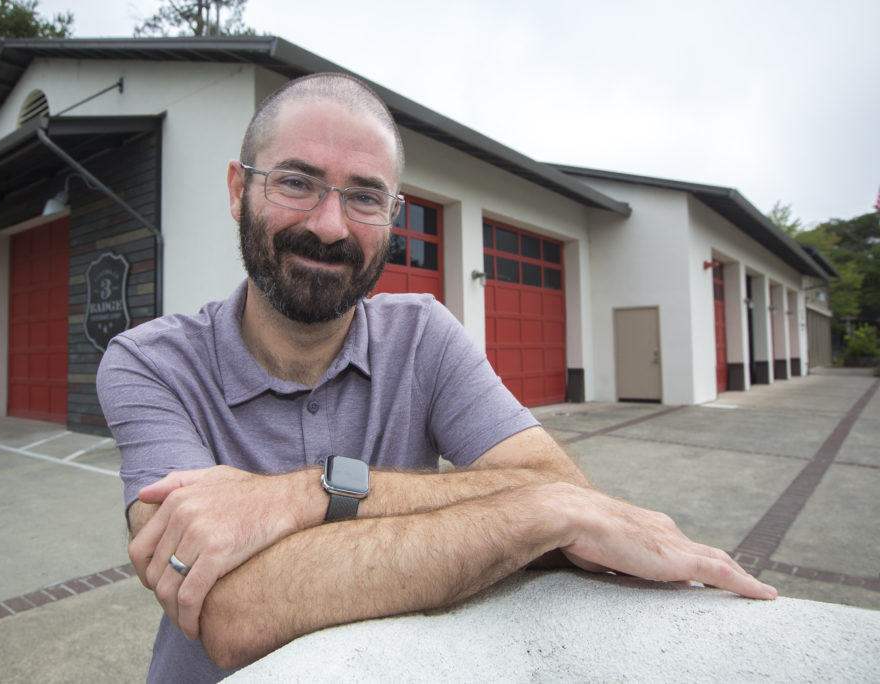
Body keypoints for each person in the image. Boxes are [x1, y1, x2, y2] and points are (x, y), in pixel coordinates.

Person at [96, 72, 776, 682]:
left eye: (365, 197)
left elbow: (559, 491)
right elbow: (235, 611)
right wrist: (537, 511)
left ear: (393, 217)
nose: (330, 227)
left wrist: (305, 497)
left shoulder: (423, 335)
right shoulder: (149, 364)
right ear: (240, 188)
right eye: (297, 182)